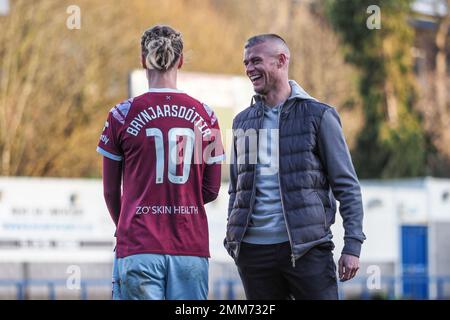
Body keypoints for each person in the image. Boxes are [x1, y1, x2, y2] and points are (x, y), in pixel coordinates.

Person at [224, 34, 366, 300]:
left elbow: (346, 186)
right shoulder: (242, 122)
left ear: (281, 60)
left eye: (256, 61)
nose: (249, 69)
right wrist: (233, 240)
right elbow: (237, 188)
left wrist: (353, 245)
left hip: (307, 251)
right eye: (246, 63)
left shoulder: (319, 115)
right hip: (253, 256)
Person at [97, 25, 224, 300]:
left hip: (139, 245)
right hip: (190, 246)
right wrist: (180, 202)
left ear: (143, 60)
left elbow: (109, 191)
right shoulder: (208, 116)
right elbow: (212, 190)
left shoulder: (120, 114)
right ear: (180, 60)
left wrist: (128, 225)